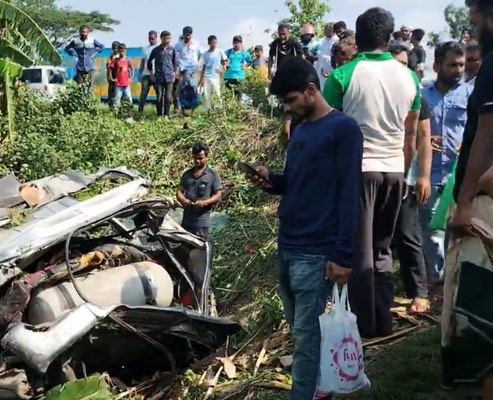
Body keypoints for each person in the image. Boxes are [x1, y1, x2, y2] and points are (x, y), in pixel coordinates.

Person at [249, 57, 363, 400]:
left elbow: (349, 194)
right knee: (301, 333)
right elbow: (299, 183)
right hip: (288, 244)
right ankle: (316, 388)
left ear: (311, 90)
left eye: (290, 100)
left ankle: (304, 394)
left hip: (315, 252)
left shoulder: (343, 130)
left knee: (308, 337)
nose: (287, 109)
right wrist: (273, 182)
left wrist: (343, 255)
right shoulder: (300, 129)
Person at [324, 7, 422, 339]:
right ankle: (383, 319)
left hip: (360, 170)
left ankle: (363, 325)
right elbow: (411, 136)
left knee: (360, 251)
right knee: (382, 249)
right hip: (395, 169)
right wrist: (406, 173)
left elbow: (328, 130)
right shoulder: (410, 77)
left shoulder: (342, 76)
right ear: (389, 37)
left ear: (359, 35)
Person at [446, 1, 493, 396]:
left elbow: (486, 136)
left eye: (475, 17)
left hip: (486, 206)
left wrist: (464, 202)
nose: (474, 27)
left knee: (483, 316)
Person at [419, 42, 472, 286]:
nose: (458, 70)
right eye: (452, 65)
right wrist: (426, 138)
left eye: (461, 65)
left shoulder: (471, 95)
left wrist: (468, 142)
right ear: (436, 65)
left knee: (458, 233)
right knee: (431, 234)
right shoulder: (422, 97)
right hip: (429, 176)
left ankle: (456, 282)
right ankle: (437, 282)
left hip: (459, 177)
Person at [389, 43, 434, 314]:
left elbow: (424, 137)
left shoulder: (418, 97)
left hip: (407, 177)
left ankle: (418, 291)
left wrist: (424, 176)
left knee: (408, 234)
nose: (398, 69)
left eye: (403, 64)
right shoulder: (376, 95)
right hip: (379, 174)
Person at [176, 143, 222, 239]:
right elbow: (179, 192)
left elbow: (218, 196)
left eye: (200, 158)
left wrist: (204, 203)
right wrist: (183, 200)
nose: (197, 161)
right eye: (195, 158)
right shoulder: (187, 174)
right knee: (184, 247)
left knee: (200, 247)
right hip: (187, 219)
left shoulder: (213, 175)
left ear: (206, 157)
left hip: (202, 221)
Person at [148, 31, 179, 118]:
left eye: (169, 38)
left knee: (168, 97)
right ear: (161, 39)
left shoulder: (172, 50)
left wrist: (174, 74)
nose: (168, 40)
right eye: (166, 38)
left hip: (169, 77)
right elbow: (149, 62)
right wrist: (151, 73)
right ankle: (159, 115)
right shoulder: (156, 50)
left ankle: (166, 115)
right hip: (159, 76)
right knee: (159, 96)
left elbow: (175, 63)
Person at [174, 26, 203, 114]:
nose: (188, 37)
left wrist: (198, 64)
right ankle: (182, 109)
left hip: (194, 69)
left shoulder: (196, 44)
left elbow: (201, 55)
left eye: (189, 35)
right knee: (184, 89)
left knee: (194, 89)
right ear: (183, 35)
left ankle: (193, 110)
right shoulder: (179, 45)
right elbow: (174, 56)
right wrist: (177, 69)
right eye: (186, 35)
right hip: (183, 69)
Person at [199, 35, 227, 111]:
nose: (214, 44)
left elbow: (226, 60)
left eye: (215, 43)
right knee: (207, 94)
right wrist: (201, 79)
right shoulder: (205, 54)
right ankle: (208, 110)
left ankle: (219, 109)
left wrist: (223, 68)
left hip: (216, 76)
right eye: (212, 43)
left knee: (217, 93)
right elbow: (203, 67)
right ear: (209, 43)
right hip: (207, 76)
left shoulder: (219, 51)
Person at [139, 30, 158, 115]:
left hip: (156, 74)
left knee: (159, 94)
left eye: (152, 38)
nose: (151, 40)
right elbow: (142, 62)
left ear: (156, 38)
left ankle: (160, 112)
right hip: (146, 74)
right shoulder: (145, 49)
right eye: (149, 38)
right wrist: (140, 72)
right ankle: (140, 111)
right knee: (143, 94)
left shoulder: (159, 48)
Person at [315, 22, 339, 89]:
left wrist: (323, 57)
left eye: (326, 29)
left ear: (332, 30)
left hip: (331, 68)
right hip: (321, 69)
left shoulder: (337, 41)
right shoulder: (323, 41)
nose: (324, 31)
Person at [109, 43, 134, 109]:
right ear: (119, 51)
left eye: (123, 51)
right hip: (118, 84)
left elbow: (132, 68)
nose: (122, 52)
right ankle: (116, 113)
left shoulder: (128, 60)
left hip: (126, 84)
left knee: (129, 99)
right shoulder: (116, 60)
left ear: (125, 51)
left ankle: (130, 112)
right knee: (117, 99)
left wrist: (131, 78)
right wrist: (112, 78)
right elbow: (110, 69)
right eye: (120, 51)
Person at [106, 41, 121, 108]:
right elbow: (108, 67)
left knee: (118, 93)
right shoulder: (111, 56)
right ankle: (111, 107)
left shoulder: (121, 56)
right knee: (111, 93)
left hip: (119, 77)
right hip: (112, 76)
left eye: (116, 48)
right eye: (114, 48)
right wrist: (109, 76)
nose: (115, 49)